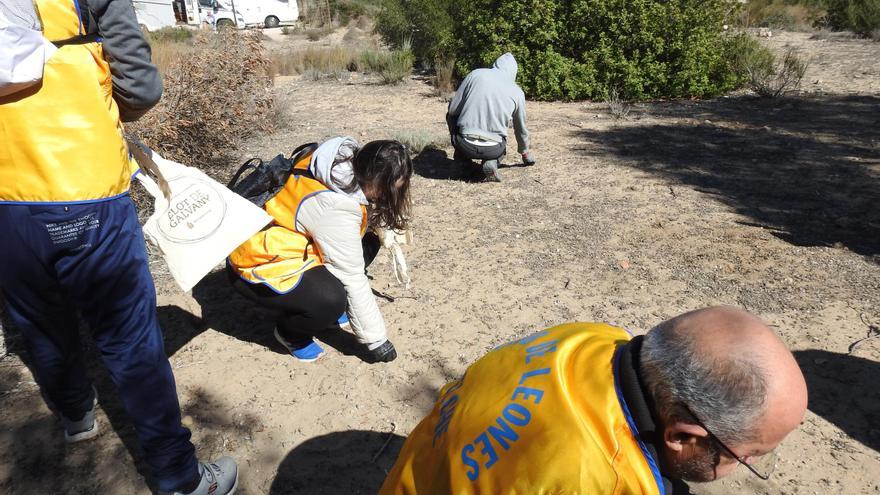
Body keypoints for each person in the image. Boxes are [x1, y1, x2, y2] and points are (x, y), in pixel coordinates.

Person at [0, 1, 238, 494]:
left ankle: (76, 415)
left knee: (38, 320)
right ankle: (179, 477)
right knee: (130, 339)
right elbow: (140, 88)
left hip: (6, 200)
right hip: (87, 186)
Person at [379, 306, 808, 494]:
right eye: (746, 456)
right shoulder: (610, 483)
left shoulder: (589, 338)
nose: (743, 465)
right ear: (679, 435)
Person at [227, 137, 412, 364]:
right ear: (373, 179)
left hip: (288, 241)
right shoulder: (334, 207)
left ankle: (317, 307)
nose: (388, 195)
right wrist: (377, 341)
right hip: (258, 263)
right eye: (389, 189)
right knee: (331, 300)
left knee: (369, 242)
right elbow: (352, 275)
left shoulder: (335, 163)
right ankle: (290, 334)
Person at [446, 52, 534, 182]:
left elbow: (453, 109)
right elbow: (520, 128)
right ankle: (492, 162)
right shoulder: (517, 92)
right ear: (514, 72)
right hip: (494, 148)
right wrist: (525, 153)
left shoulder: (476, 74)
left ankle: (462, 159)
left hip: (464, 144)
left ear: (496, 64)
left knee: (451, 115)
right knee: (501, 140)